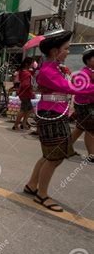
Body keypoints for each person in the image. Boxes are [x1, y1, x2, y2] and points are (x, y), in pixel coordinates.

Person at [24, 25, 94, 212]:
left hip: (55, 112)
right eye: (66, 48)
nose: (68, 51)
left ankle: (32, 185)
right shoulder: (48, 70)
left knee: (49, 155)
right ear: (55, 51)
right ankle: (42, 195)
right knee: (54, 158)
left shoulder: (55, 67)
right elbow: (71, 88)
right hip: (51, 115)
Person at [70, 46, 94, 162]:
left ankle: (65, 148)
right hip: (85, 105)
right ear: (88, 60)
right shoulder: (85, 73)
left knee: (80, 128)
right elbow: (83, 89)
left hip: (87, 104)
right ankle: (91, 155)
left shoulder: (90, 72)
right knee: (90, 129)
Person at [13, 57, 35, 131]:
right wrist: (31, 91)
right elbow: (26, 85)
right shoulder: (26, 73)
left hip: (25, 93)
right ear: (27, 64)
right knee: (23, 110)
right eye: (31, 63)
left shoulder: (23, 71)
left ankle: (24, 123)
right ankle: (16, 125)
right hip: (25, 94)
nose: (32, 64)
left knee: (29, 109)